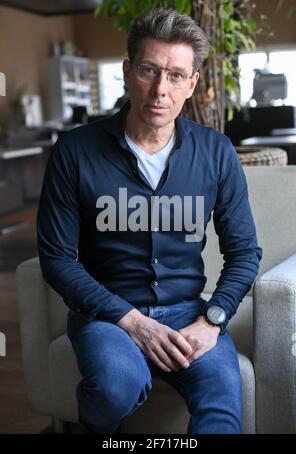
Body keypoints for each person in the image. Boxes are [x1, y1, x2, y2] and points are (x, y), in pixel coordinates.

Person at [37, 8, 262, 434]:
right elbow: (57, 259)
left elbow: (245, 251)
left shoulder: (216, 152)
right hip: (107, 313)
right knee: (116, 387)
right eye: (149, 70)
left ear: (192, 84)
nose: (161, 89)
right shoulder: (74, 151)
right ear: (126, 71)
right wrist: (134, 322)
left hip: (188, 312)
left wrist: (212, 320)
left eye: (176, 75)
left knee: (222, 406)